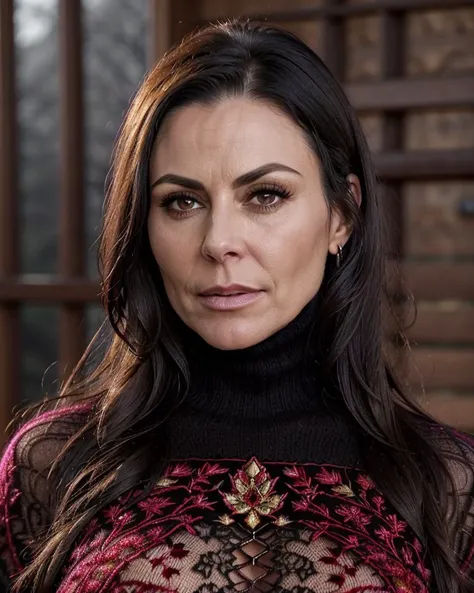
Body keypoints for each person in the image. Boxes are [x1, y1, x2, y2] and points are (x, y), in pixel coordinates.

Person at [0, 19, 473, 593]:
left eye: (265, 195)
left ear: (341, 215)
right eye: (182, 201)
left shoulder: (447, 483)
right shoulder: (51, 466)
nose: (219, 240)